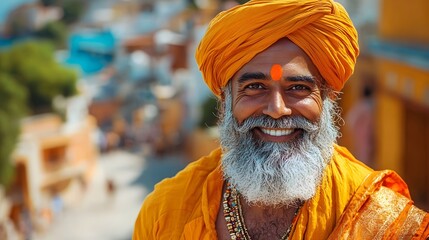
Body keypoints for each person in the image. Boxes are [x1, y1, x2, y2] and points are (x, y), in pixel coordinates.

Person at [133, 0, 429, 239]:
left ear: (328, 98)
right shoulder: (166, 213)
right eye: (255, 87)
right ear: (226, 101)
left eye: (298, 88)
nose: (277, 109)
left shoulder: (383, 223)